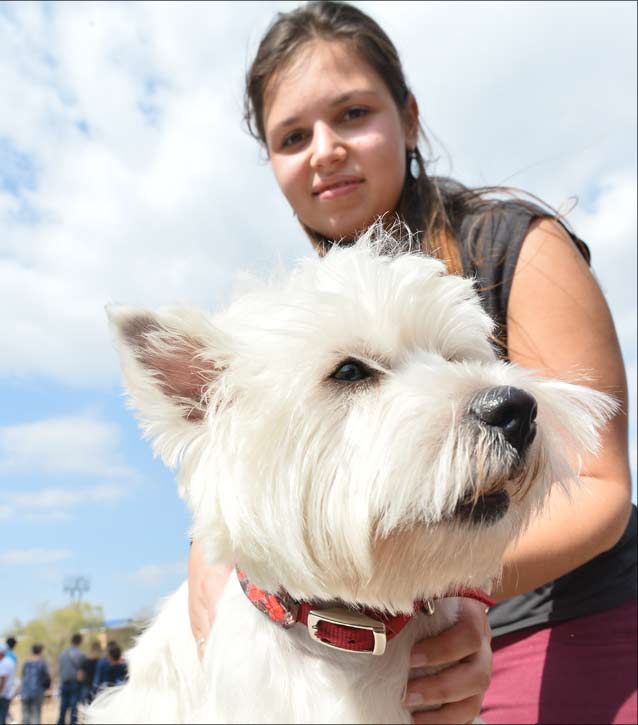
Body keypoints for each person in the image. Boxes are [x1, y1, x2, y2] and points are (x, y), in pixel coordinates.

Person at [186, 2, 637, 724]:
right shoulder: (287, 325)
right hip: (355, 641)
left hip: (547, 616)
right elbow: (225, 524)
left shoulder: (515, 243)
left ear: (410, 117)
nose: (325, 149)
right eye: (293, 136)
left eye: (353, 113)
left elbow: (602, 485)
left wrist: (448, 595)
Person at [56, 634, 85, 725]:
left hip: (64, 683)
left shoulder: (62, 654)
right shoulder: (81, 655)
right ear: (80, 642)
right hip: (75, 684)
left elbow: (60, 669)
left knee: (63, 707)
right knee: (74, 709)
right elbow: (82, 670)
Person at [19, 644, 50, 725]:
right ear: (40, 651)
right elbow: (47, 677)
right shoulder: (42, 662)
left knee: (25, 716)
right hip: (37, 691)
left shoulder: (26, 663)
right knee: (36, 715)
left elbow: (23, 676)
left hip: (25, 692)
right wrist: (47, 688)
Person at [78, 641, 101, 706]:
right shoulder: (102, 662)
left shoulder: (86, 661)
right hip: (99, 688)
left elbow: (80, 676)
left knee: (86, 707)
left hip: (87, 687)